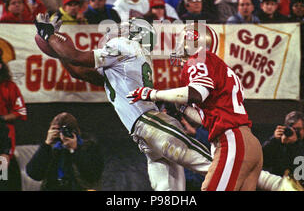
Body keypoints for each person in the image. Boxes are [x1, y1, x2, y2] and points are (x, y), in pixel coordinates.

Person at [34, 16, 213, 191]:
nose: (115, 30)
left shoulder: (125, 46)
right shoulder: (130, 58)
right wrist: (57, 48)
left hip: (151, 125)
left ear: (134, 34)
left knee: (213, 166)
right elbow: (79, 71)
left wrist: (50, 35)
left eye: (122, 28)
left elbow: (75, 56)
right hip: (146, 132)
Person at [127, 22, 263, 191]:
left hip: (233, 139)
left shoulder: (199, 58)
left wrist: (153, 94)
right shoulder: (218, 66)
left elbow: (196, 93)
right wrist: (182, 108)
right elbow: (205, 117)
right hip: (249, 142)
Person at [26, 112, 104, 191]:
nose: (61, 135)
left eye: (65, 131)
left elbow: (93, 176)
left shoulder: (88, 146)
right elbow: (34, 174)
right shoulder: (49, 148)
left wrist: (74, 150)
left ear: (75, 132)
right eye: (56, 130)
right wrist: (46, 145)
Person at [262, 111, 304, 179]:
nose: (294, 132)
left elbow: (300, 174)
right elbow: (262, 161)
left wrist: (295, 144)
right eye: (291, 128)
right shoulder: (278, 142)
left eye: (297, 129)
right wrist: (274, 140)